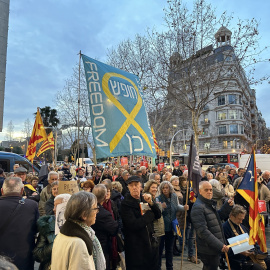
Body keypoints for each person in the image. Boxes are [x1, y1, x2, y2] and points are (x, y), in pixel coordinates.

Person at [51, 191, 105, 270]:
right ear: (84, 215)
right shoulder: (78, 243)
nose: (97, 212)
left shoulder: (64, 233)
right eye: (95, 209)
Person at [191, 181, 234, 270]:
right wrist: (219, 245)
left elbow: (216, 218)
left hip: (213, 247)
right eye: (206, 190)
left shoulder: (207, 203)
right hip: (208, 248)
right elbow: (202, 231)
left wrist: (227, 206)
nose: (209, 192)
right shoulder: (198, 207)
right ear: (200, 191)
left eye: (210, 190)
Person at [121, 176, 161, 270]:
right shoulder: (126, 204)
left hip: (150, 243)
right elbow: (134, 224)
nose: (134, 187)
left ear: (141, 187)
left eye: (136, 185)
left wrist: (151, 202)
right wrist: (150, 215)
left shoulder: (144, 199)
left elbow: (158, 215)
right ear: (128, 188)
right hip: (136, 247)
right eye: (131, 185)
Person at [0, 177, 39, 270]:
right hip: (24, 258)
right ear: (22, 191)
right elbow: (36, 228)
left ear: (2, 191)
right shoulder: (32, 205)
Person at [223, 204, 270, 270]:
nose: (241, 222)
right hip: (237, 260)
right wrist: (241, 252)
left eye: (242, 219)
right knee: (258, 268)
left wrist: (258, 251)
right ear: (231, 216)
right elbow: (224, 249)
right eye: (239, 219)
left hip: (250, 255)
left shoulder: (241, 226)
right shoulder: (224, 228)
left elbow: (252, 240)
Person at [33, 193, 71, 270]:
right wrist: (57, 243)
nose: (53, 209)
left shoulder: (78, 226)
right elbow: (37, 255)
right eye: (54, 205)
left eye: (57, 206)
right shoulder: (47, 225)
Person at [157, 181, 188, 270]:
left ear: (170, 189)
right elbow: (157, 212)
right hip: (162, 227)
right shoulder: (159, 198)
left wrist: (184, 208)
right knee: (160, 249)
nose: (165, 189)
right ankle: (158, 267)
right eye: (163, 188)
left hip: (172, 226)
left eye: (167, 188)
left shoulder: (174, 196)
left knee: (169, 249)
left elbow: (177, 207)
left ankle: (169, 267)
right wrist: (161, 207)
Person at [92, 184, 119, 270]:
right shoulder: (103, 213)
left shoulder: (88, 208)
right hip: (101, 246)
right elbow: (114, 229)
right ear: (104, 197)